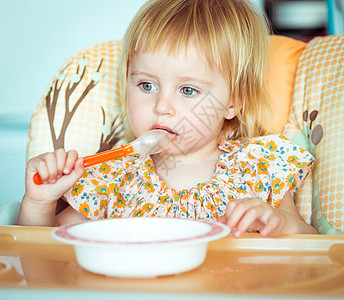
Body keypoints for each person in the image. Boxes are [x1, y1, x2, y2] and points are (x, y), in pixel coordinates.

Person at [18, 0, 317, 237]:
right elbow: (46, 257)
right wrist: (39, 203)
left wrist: (281, 225)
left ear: (233, 102)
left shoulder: (259, 166)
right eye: (147, 86)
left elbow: (310, 244)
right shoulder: (113, 176)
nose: (162, 106)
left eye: (188, 90)